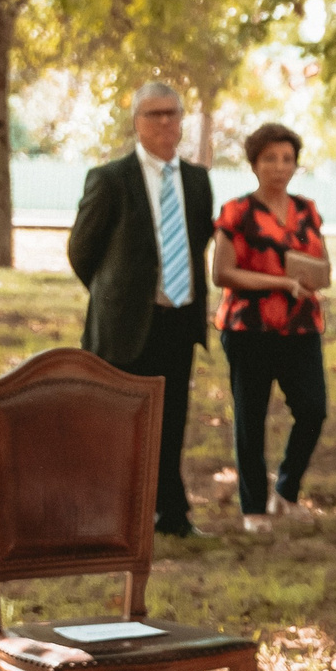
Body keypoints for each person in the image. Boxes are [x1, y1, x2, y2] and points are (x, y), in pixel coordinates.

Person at [67, 81, 213, 537]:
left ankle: (171, 514)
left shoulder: (196, 180)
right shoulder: (111, 179)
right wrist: (117, 296)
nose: (165, 122)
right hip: (125, 326)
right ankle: (112, 516)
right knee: (118, 424)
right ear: (136, 122)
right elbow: (82, 251)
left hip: (179, 319)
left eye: (172, 113)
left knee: (172, 420)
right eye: (154, 114)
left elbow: (196, 242)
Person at [210, 123, 331, 534]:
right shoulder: (237, 212)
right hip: (250, 328)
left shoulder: (307, 209)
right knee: (251, 416)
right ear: (254, 163)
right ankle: (253, 509)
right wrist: (281, 282)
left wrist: (313, 278)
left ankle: (286, 491)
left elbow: (322, 264)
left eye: (287, 159)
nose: (279, 167)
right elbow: (222, 272)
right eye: (270, 159)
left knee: (313, 410)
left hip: (302, 325)